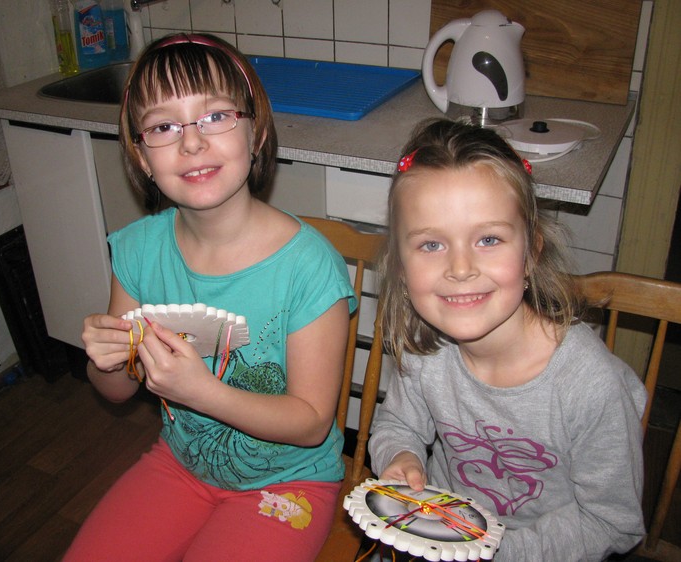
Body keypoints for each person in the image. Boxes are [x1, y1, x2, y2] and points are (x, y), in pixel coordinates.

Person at [63, 33, 356, 562]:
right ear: (142, 156)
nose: (192, 143)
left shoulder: (309, 267)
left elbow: (312, 423)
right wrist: (106, 361)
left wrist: (202, 392)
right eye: (163, 127)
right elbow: (117, 392)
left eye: (216, 116)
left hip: (288, 483)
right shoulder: (137, 251)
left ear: (256, 133)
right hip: (181, 464)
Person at [368, 119, 647, 561]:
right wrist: (400, 456)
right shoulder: (427, 349)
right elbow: (398, 426)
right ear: (400, 267)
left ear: (531, 251)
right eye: (431, 245)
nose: (461, 269)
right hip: (441, 539)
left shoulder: (590, 384)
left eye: (489, 239)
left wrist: (491, 551)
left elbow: (612, 522)